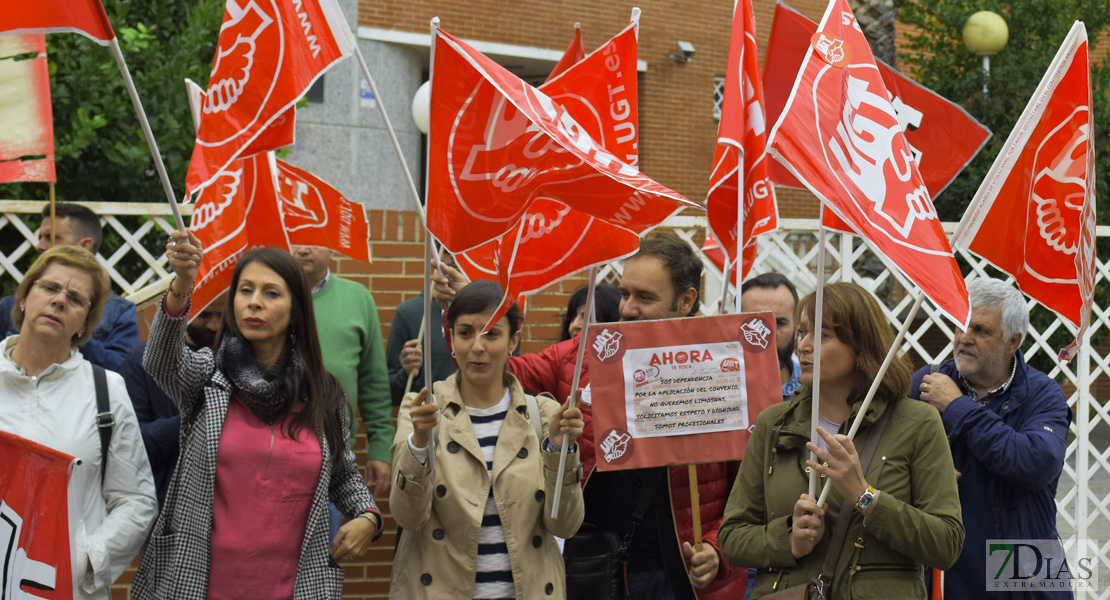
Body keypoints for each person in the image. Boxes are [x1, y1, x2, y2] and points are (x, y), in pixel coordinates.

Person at [433, 232, 748, 599]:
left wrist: (717, 550)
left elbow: (749, 494)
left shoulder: (725, 366)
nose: (627, 308)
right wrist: (472, 314)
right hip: (597, 567)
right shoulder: (583, 355)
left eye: (645, 298)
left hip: (684, 578)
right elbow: (495, 369)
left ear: (686, 300)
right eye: (626, 293)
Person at [133, 236, 382, 600]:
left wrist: (368, 517)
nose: (254, 302)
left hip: (294, 588)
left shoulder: (325, 394)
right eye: (245, 290)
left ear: (297, 308)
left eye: (271, 293)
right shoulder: (207, 376)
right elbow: (160, 361)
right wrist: (182, 283)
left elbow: (342, 476)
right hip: (197, 584)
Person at [718, 281, 964, 599]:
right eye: (803, 332)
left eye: (821, 335)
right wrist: (788, 539)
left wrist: (865, 497)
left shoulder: (917, 422)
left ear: (861, 346)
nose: (803, 345)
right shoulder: (774, 423)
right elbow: (732, 537)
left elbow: (946, 544)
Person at [389, 279, 585, 599]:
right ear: (450, 339)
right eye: (465, 332)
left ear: (513, 340)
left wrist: (558, 449)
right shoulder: (421, 410)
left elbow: (565, 525)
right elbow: (407, 516)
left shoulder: (544, 415)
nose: (477, 346)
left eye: (492, 333)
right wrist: (420, 442)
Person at [0, 245, 156, 599]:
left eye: (75, 298)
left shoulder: (107, 390)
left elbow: (137, 500)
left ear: (86, 322)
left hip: (62, 589)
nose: (59, 301)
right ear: (23, 297)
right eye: (50, 288)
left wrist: (82, 559)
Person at [911, 278, 1070, 600]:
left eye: (981, 330)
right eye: (960, 324)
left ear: (1013, 342)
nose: (964, 338)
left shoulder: (1043, 393)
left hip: (1021, 572)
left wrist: (957, 407)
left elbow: (1035, 464)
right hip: (945, 567)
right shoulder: (925, 385)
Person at [292, 245, 394, 510]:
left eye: (313, 240)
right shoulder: (267, 297)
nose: (303, 249)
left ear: (333, 250)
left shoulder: (358, 297)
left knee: (328, 550)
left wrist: (381, 447)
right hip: (270, 455)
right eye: (296, 238)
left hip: (332, 462)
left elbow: (374, 383)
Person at [0, 203, 140, 372]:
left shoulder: (119, 311)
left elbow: (126, 371)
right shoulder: (8, 306)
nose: (40, 245)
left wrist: (70, 332)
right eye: (49, 289)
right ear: (23, 301)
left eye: (52, 237)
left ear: (85, 246)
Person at [120, 291, 228, 510]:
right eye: (205, 315)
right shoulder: (142, 361)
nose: (214, 325)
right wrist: (196, 416)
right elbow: (131, 444)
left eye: (221, 317)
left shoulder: (237, 362)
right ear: (186, 312)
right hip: (164, 501)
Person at [740, 273, 801, 401]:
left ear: (797, 327)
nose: (767, 335)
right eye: (755, 324)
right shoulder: (718, 390)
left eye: (778, 323)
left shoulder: (817, 389)